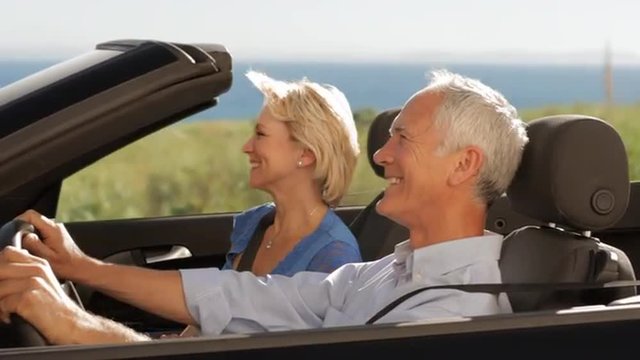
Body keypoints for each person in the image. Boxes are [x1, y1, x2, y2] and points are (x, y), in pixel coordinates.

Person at [0, 69, 528, 344]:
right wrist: (82, 270)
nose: (380, 154)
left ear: (463, 166)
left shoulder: (453, 315)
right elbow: (242, 297)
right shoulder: (383, 275)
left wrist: (74, 326)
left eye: (401, 140)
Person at [223, 71, 361, 276]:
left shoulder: (333, 256)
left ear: (306, 153)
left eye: (261, 134)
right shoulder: (253, 223)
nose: (247, 147)